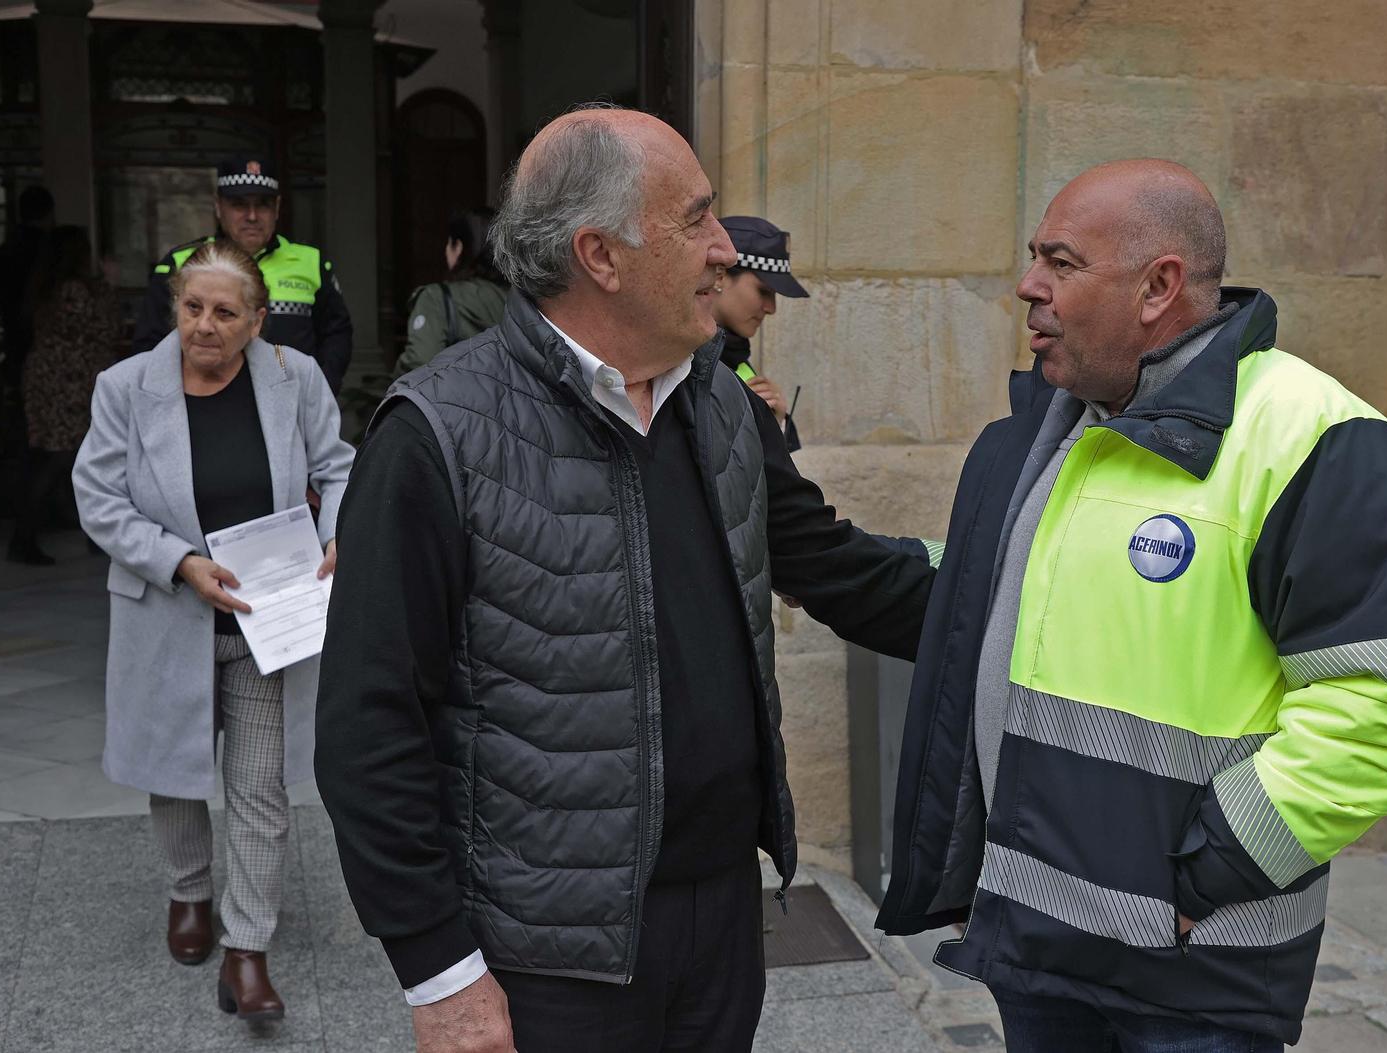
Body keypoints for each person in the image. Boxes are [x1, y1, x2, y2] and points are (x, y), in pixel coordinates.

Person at [314, 103, 935, 1053]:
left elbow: (835, 565)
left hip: (721, 922)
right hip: (546, 959)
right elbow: (368, 723)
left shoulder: (722, 403)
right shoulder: (435, 432)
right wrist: (440, 972)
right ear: (600, 255)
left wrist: (1031, 605)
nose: (726, 250)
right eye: (696, 219)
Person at [874, 160, 1387, 1051]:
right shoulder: (1046, 428)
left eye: (1060, 263)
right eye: (1035, 258)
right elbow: (1006, 597)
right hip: (1038, 951)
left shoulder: (1318, 440)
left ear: (1159, 286)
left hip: (1192, 977)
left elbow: (1383, 711)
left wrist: (1203, 879)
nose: (1028, 287)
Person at [73, 240, 354, 1025]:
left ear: (258, 321)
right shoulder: (125, 388)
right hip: (170, 607)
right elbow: (98, 497)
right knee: (176, 767)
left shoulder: (296, 381)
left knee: (260, 786)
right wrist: (180, 561)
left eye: (226, 312)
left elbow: (338, 467)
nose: (205, 324)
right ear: (176, 310)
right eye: (193, 308)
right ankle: (188, 891)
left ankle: (247, 949)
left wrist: (339, 528)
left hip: (267, 615)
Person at [130, 156, 353, 393]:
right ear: (218, 206)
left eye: (263, 204)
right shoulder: (182, 263)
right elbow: (150, 344)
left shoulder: (312, 262)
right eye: (239, 204)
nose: (253, 216)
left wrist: (320, 388)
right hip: (201, 402)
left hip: (292, 403)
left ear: (277, 207)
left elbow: (336, 334)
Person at [7, 226, 120, 565]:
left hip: (53, 379)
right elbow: (104, 328)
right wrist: (110, 283)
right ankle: (23, 537)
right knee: (65, 457)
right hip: (66, 383)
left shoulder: (50, 288)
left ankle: (89, 534)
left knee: (63, 456)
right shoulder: (73, 290)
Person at [712, 216, 805, 451]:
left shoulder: (732, 351)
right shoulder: (678, 356)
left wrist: (776, 423)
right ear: (720, 275)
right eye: (763, 291)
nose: (771, 308)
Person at [396, 208, 509, 376]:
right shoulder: (523, 298)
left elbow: (418, 363)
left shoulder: (436, 298)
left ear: (459, 247)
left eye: (449, 243)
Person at [0, 185, 55, 385]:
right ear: (49, 214)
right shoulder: (48, 251)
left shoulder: (6, 249)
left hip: (13, 336)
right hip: (45, 340)